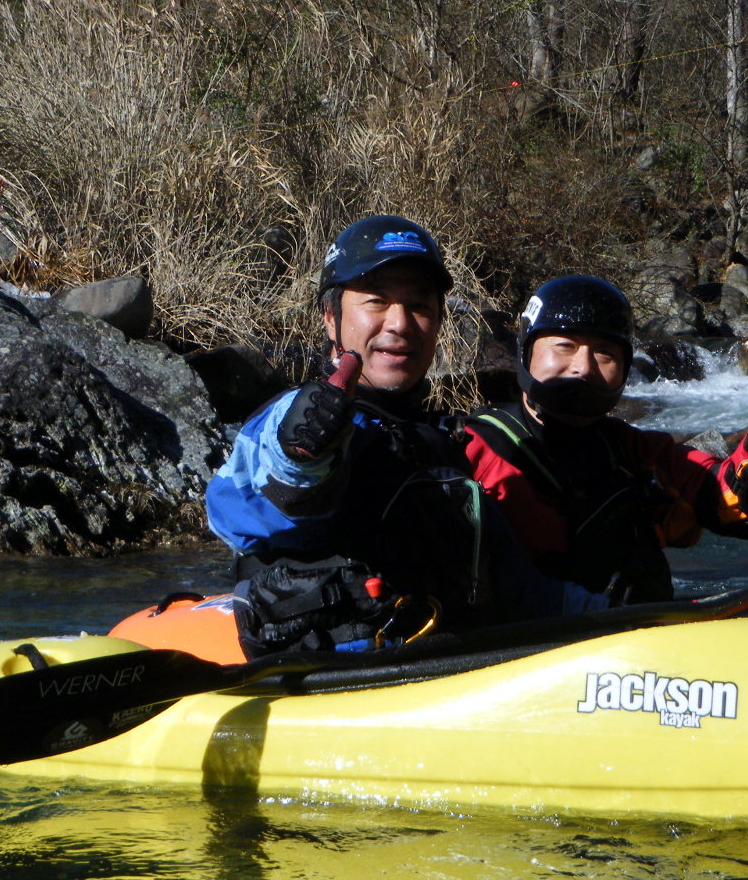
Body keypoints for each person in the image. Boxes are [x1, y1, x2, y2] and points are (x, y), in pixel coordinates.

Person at [206, 215, 601, 657]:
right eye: (376, 301)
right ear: (330, 318)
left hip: (442, 679)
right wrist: (302, 456)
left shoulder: (440, 448)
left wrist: (641, 618)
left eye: (419, 305)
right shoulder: (297, 419)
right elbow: (241, 505)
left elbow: (524, 591)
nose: (400, 323)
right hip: (331, 690)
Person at [462, 275, 748, 603]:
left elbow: (736, 508)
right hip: (518, 659)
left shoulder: (634, 454)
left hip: (632, 654)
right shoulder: (468, 451)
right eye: (565, 345)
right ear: (526, 352)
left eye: (604, 352)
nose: (583, 367)